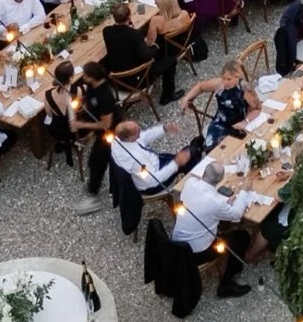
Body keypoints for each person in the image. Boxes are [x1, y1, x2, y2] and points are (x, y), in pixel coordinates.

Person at [172, 161, 268, 297]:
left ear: (204, 172)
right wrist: (244, 192)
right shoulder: (215, 202)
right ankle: (227, 283)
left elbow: (204, 203)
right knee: (242, 237)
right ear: (220, 180)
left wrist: (224, 202)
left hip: (176, 243)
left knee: (220, 222)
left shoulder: (190, 183)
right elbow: (236, 214)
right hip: (196, 252)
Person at [103, 0, 180, 104]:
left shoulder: (106, 32)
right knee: (171, 61)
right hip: (137, 81)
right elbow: (146, 55)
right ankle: (168, 95)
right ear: (129, 17)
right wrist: (156, 47)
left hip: (117, 81)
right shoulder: (135, 34)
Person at [71, 61, 122, 214]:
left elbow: (106, 124)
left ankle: (94, 197)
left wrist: (81, 125)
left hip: (110, 134)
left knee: (97, 162)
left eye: (85, 75)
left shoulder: (105, 95)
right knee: (98, 162)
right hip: (102, 133)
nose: (83, 77)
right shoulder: (94, 87)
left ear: (92, 77)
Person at [180, 58, 261, 149]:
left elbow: (257, 109)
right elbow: (200, 87)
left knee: (239, 150)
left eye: (229, 79)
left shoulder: (244, 88)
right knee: (212, 149)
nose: (225, 82)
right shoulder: (219, 84)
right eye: (224, 78)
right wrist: (186, 98)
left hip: (238, 124)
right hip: (220, 123)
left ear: (237, 77)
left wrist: (245, 122)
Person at [110, 119, 200, 194]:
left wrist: (164, 129)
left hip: (154, 162)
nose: (141, 131)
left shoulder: (119, 139)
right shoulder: (136, 160)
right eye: (138, 131)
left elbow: (144, 136)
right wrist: (176, 163)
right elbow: (153, 180)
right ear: (130, 137)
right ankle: (195, 187)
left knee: (188, 152)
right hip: (154, 183)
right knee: (191, 156)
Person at [44, 60, 77, 165]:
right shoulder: (78, 90)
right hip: (75, 130)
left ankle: (61, 142)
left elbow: (49, 114)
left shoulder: (48, 94)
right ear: (71, 77)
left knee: (44, 120)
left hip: (58, 131)